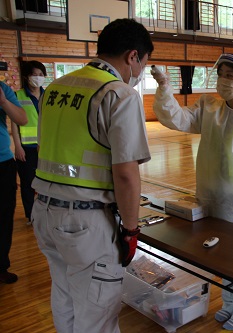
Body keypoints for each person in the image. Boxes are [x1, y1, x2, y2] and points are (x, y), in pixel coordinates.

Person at [31, 18, 153, 333]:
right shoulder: (119, 94)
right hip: (86, 223)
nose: (137, 74)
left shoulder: (55, 87)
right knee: (97, 312)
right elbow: (126, 173)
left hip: (44, 212)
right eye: (141, 65)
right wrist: (130, 230)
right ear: (132, 56)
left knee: (65, 294)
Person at [152, 53, 233, 331]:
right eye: (221, 74)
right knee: (223, 258)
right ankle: (230, 303)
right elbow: (176, 118)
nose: (223, 81)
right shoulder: (209, 108)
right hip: (212, 197)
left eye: (230, 75)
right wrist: (165, 86)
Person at [11, 61, 46, 224]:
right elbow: (14, 123)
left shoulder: (48, 96)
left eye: (41, 75)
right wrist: (18, 146)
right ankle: (30, 215)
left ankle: (45, 214)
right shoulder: (18, 96)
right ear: (26, 77)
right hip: (26, 148)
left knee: (45, 183)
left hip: (45, 149)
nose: (38, 78)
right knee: (27, 183)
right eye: (34, 74)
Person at [0, 81, 27, 284]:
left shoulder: (2, 88)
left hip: (3, 163)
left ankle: (1, 266)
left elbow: (22, 119)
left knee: (4, 217)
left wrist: (3, 101)